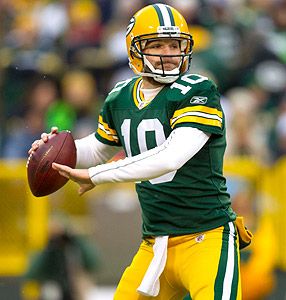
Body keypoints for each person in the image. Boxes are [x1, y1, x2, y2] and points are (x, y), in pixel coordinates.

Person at [29, 3, 252, 299]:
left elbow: (171, 157)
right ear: (135, 51)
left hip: (207, 239)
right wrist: (54, 152)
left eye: (175, 45)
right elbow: (97, 149)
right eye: (157, 45)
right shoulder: (120, 96)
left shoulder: (198, 90)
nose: (169, 54)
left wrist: (97, 176)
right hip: (155, 243)